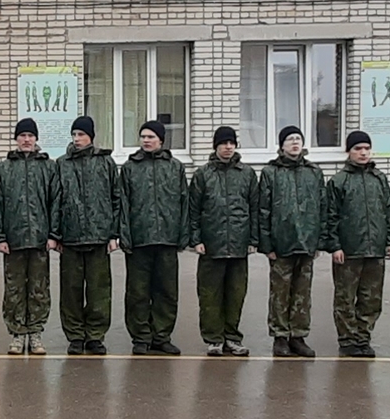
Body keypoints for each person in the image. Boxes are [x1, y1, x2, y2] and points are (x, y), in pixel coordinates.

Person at [114, 120, 188, 355]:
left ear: (161, 140)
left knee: (166, 291)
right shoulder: (130, 168)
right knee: (137, 292)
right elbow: (123, 204)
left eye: (151, 137)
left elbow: (184, 202)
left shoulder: (175, 167)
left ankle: (161, 336)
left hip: (167, 238)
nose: (146, 140)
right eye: (143, 136)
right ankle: (141, 337)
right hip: (139, 239)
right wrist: (125, 235)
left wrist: (183, 234)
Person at [253, 125, 327, 357]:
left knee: (302, 293)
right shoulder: (271, 173)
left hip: (307, 242)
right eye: (290, 139)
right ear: (282, 145)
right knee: (280, 292)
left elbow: (322, 206)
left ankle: (298, 336)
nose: (295, 142)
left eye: (298, 139)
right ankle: (280, 337)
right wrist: (266, 244)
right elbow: (263, 209)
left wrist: (319, 241)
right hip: (281, 243)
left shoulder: (314, 172)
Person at [323, 130, 390, 358]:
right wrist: (335, 245)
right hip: (349, 250)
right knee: (345, 298)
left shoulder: (379, 178)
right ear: (349, 152)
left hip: (375, 249)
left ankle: (363, 338)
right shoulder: (339, 181)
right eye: (358, 149)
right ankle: (347, 340)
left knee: (371, 298)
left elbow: (389, 210)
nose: (363, 153)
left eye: (366, 148)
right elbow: (330, 215)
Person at [187, 126, 258, 356]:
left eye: (231, 143)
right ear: (216, 146)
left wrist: (253, 239)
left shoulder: (247, 174)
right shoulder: (203, 174)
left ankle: (232, 338)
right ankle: (214, 339)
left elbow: (255, 208)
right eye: (224, 143)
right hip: (211, 245)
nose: (228, 147)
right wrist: (196, 239)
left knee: (235, 295)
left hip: (239, 245)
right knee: (210, 295)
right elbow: (193, 210)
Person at [52, 115, 119, 354]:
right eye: (74, 134)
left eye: (81, 134)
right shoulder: (62, 164)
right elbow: (56, 200)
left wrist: (114, 234)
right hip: (70, 238)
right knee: (70, 291)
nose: (77, 139)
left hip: (99, 237)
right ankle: (75, 336)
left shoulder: (105, 162)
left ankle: (95, 336)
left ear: (91, 136)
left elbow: (116, 198)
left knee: (98, 290)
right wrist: (55, 234)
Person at [0, 118, 57, 355]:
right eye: (22, 136)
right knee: (14, 289)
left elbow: (55, 202)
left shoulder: (48, 167)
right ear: (16, 139)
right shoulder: (4, 169)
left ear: (36, 138)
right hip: (14, 239)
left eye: (30, 135)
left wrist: (53, 234)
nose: (26, 140)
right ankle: (18, 334)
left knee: (39, 288)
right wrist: (0, 236)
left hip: (39, 239)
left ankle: (36, 333)